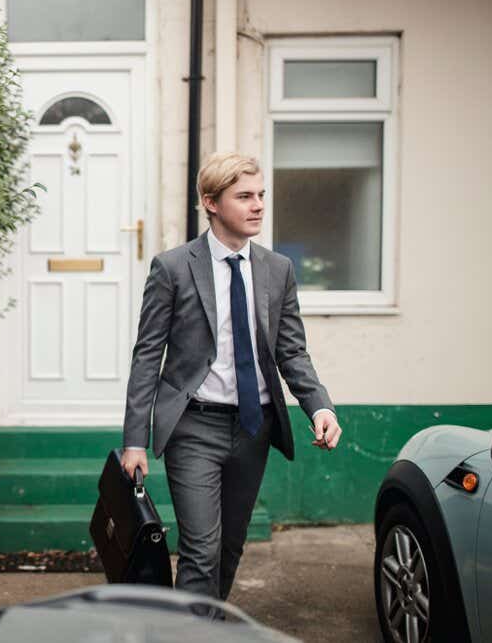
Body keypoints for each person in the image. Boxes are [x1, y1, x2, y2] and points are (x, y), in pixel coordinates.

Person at [120, 151, 341, 610]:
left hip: (252, 428)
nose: (258, 205)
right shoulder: (174, 267)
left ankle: (202, 623)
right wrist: (134, 440)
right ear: (212, 202)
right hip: (193, 428)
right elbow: (147, 356)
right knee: (201, 550)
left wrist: (319, 406)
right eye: (244, 196)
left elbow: (291, 350)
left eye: (261, 195)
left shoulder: (278, 270)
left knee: (230, 547)